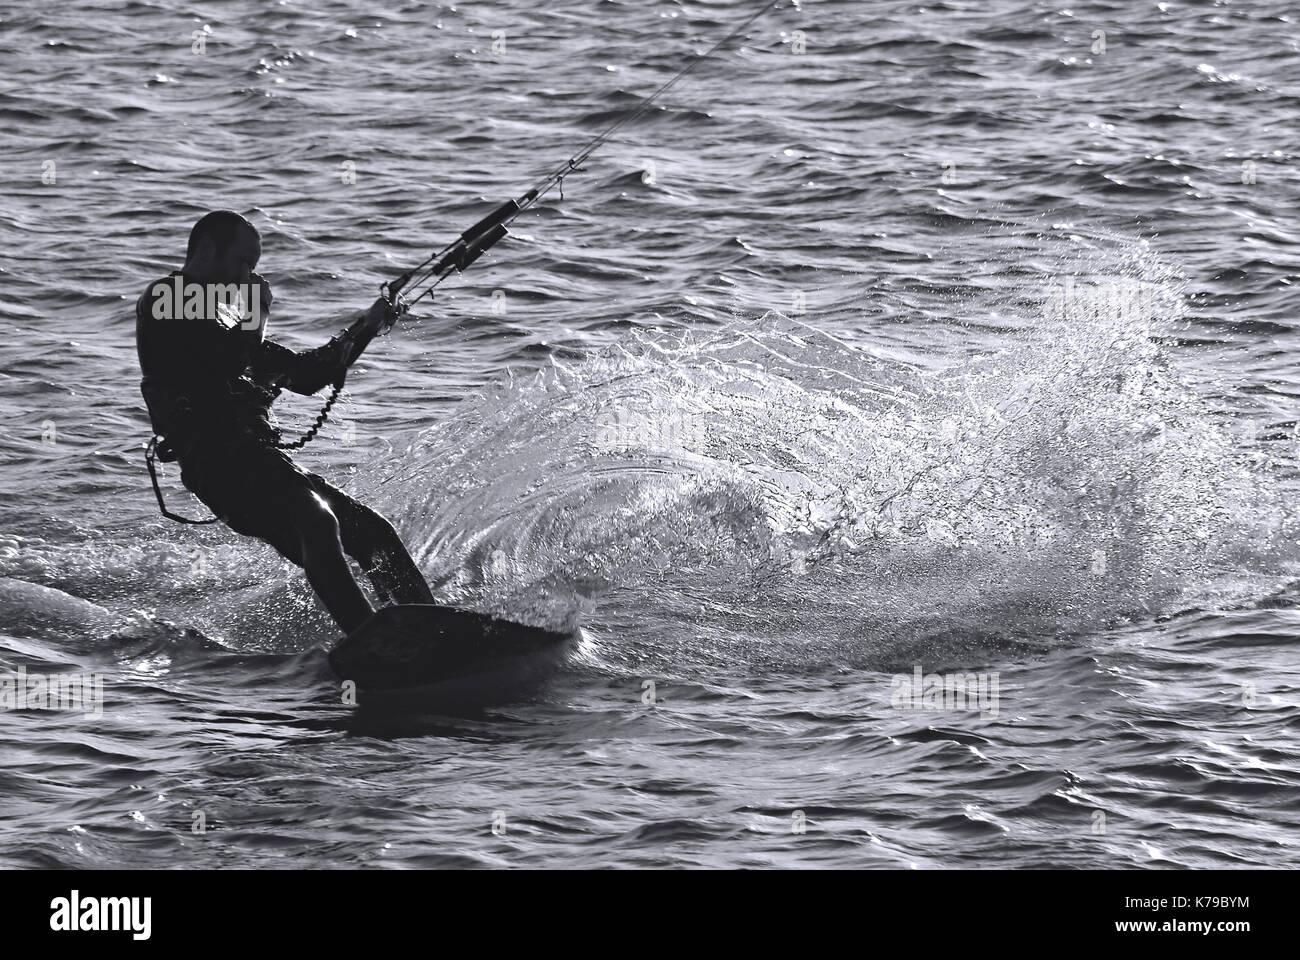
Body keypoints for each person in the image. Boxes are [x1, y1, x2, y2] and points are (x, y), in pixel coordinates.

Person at [135, 210, 434, 634]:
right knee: (317, 520)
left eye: (252, 268)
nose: (247, 278)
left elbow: (309, 376)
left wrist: (366, 327)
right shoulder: (166, 299)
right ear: (205, 250)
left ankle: (431, 630)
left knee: (375, 536)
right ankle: (372, 637)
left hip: (261, 462)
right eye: (242, 264)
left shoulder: (228, 326)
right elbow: (224, 363)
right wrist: (257, 314)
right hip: (219, 464)